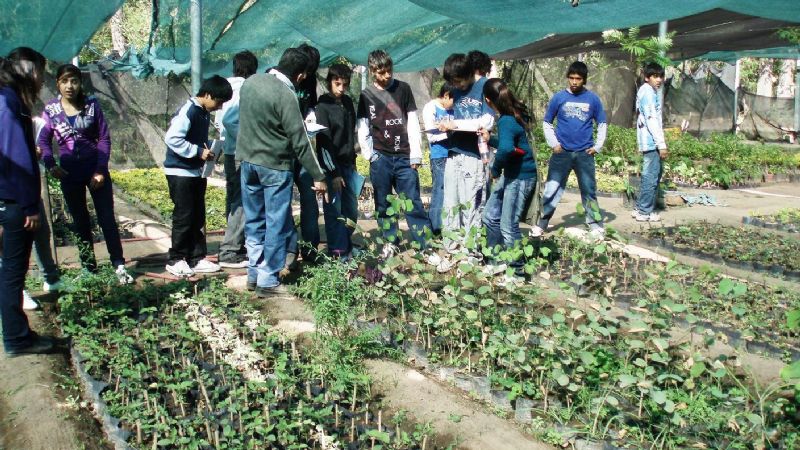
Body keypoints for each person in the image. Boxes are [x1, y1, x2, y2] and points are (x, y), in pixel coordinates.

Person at [237, 48, 327, 296]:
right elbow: (300, 142)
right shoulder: (286, 95)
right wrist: (319, 176)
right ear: (300, 76)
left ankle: (253, 273)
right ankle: (268, 279)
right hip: (275, 167)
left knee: (254, 220)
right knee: (276, 222)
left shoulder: (251, 83)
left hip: (247, 163)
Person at [38, 63, 133, 283]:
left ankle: (118, 265)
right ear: (58, 84)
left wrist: (100, 170)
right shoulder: (51, 110)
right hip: (69, 174)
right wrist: (51, 164)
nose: (69, 86)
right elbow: (43, 140)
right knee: (80, 221)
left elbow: (104, 138)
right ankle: (89, 268)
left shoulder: (92, 105)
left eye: (74, 80)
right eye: (64, 81)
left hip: (96, 173)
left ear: (80, 83)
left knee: (106, 218)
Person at [0, 47, 57, 356]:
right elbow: (17, 157)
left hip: (7, 200)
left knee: (8, 271)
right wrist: (28, 206)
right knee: (12, 272)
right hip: (13, 203)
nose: (41, 79)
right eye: (40, 72)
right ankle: (17, 339)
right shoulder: (9, 102)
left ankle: (16, 335)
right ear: (29, 70)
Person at [357, 49, 433, 259]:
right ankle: (390, 242)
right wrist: (370, 155)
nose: (387, 75)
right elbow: (363, 126)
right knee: (384, 203)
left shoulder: (404, 89)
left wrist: (416, 155)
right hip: (380, 157)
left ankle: (424, 244)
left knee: (413, 202)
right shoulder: (366, 95)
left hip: (404, 157)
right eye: (381, 72)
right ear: (372, 71)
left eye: (389, 70)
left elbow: (412, 122)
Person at [162, 75, 232, 277]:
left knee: (197, 215)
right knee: (184, 216)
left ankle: (196, 257)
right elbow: (172, 138)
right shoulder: (189, 110)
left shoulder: (202, 113)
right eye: (218, 102)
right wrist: (196, 151)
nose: (219, 107)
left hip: (195, 172)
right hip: (180, 172)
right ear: (208, 94)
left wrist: (208, 148)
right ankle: (176, 258)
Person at [535, 61, 607, 239]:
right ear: (568, 78)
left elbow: (602, 123)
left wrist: (597, 146)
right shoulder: (559, 98)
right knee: (552, 189)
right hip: (562, 153)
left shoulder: (592, 99)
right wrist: (554, 144)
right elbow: (547, 122)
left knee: (589, 190)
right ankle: (541, 224)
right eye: (572, 78)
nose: (574, 82)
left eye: (578, 79)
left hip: (584, 154)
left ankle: (595, 224)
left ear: (584, 80)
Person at [479, 78, 537, 272]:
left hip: (520, 177)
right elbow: (511, 145)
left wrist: (494, 170)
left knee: (508, 226)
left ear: (488, 100)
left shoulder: (506, 119)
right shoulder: (513, 114)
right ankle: (496, 261)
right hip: (513, 173)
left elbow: (505, 149)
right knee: (489, 216)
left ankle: (517, 271)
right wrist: (491, 139)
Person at [441, 53, 495, 248]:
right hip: (454, 151)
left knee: (471, 202)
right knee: (450, 201)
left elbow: (487, 121)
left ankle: (471, 249)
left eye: (459, 81)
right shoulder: (456, 90)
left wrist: (456, 124)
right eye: (453, 83)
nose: (457, 86)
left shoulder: (485, 86)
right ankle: (450, 246)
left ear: (469, 73)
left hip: (474, 155)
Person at [216, 50, 258, 268]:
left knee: (234, 200)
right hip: (240, 152)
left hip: (230, 151)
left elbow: (219, 121)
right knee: (241, 201)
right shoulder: (242, 88)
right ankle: (230, 249)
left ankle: (234, 243)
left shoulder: (225, 86)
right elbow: (231, 120)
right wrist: (249, 137)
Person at [315, 63, 361, 258]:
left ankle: (346, 246)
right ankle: (338, 252)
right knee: (334, 211)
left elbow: (350, 135)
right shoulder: (323, 106)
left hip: (349, 164)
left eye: (345, 84)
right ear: (329, 82)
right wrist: (332, 173)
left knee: (351, 211)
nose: (341, 89)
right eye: (337, 84)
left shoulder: (348, 103)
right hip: (333, 166)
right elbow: (323, 142)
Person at [286, 43, 323, 268]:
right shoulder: (283, 80)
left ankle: (310, 249)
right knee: (283, 202)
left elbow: (311, 106)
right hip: (284, 151)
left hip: (303, 148)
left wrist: (310, 117)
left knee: (310, 199)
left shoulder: (309, 83)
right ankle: (289, 250)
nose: (306, 75)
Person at [633, 62, 668, 223]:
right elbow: (651, 119)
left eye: (661, 76)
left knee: (651, 175)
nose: (659, 79)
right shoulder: (647, 92)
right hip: (651, 142)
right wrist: (661, 144)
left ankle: (641, 207)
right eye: (655, 76)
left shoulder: (646, 91)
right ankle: (644, 211)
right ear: (647, 78)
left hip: (649, 141)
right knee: (651, 176)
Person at [421, 83, 455, 235]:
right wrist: (449, 131)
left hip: (454, 154)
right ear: (446, 95)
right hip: (439, 155)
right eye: (454, 99)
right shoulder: (431, 108)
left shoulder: (453, 109)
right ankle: (435, 227)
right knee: (439, 190)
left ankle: (449, 226)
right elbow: (431, 135)